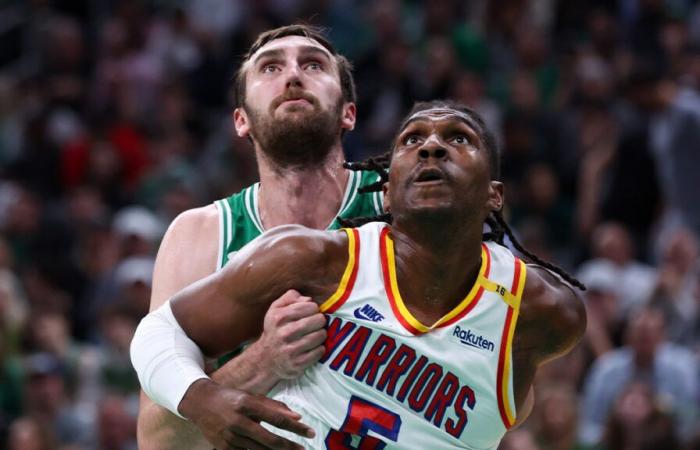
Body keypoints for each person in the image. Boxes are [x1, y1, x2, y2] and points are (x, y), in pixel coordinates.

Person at [131, 101, 587, 449]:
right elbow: (159, 332)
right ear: (386, 193)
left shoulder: (542, 312)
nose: (431, 146)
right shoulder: (313, 259)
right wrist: (200, 396)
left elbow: (512, 411)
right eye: (412, 140)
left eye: (459, 138)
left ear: (494, 196)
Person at [136, 24, 385, 449]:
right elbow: (160, 442)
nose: (292, 76)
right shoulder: (199, 235)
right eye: (270, 67)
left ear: (349, 111)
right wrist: (263, 362)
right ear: (241, 120)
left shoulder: (404, 210)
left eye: (312, 65)